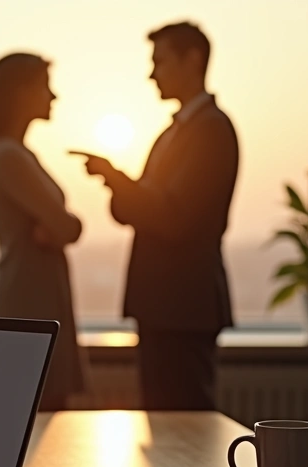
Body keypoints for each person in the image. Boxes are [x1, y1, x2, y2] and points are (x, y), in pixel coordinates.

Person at [74, 22, 238, 410]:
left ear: (192, 60)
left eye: (159, 61)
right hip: (167, 308)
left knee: (186, 432)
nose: (152, 74)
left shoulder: (210, 131)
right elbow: (141, 207)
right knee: (167, 428)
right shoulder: (176, 132)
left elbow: (174, 217)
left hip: (183, 307)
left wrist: (118, 180)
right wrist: (120, 185)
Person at [0, 53, 87, 410]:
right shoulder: (8, 155)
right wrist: (65, 225)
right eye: (44, 86)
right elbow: (67, 226)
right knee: (35, 419)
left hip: (32, 296)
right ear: (19, 92)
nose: (53, 96)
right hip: (26, 301)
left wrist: (60, 226)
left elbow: (61, 227)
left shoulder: (13, 153)